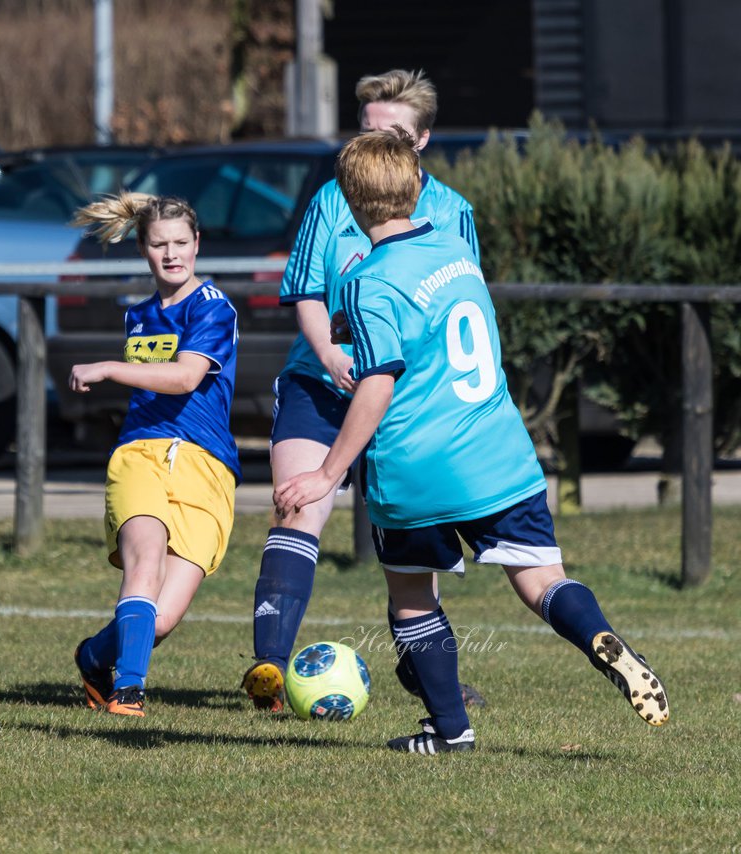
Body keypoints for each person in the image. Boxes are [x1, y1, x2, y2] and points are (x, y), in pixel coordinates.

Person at [273, 130, 669, 752]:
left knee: (409, 596)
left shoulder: (367, 281)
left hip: (416, 468)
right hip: (499, 454)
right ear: (416, 186)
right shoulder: (455, 248)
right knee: (543, 580)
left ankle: (450, 731)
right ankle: (599, 636)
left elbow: (376, 382)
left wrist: (327, 473)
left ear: (349, 200)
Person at [243, 68, 484, 713]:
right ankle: (268, 672)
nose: (377, 147)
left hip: (405, 400)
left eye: (396, 134)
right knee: (297, 505)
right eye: (368, 132)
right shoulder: (330, 201)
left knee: (411, 547)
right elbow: (307, 295)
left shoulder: (452, 213)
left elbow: (459, 305)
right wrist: (329, 354)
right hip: (321, 384)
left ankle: (427, 679)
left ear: (423, 139)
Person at [70, 193, 240, 718]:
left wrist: (108, 369)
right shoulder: (138, 316)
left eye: (181, 243)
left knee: (161, 620)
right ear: (143, 249)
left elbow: (187, 376)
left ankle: (94, 657)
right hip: (140, 454)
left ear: (197, 245)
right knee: (144, 562)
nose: (171, 255)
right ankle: (130, 692)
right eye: (159, 244)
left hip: (205, 465)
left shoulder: (213, 307)